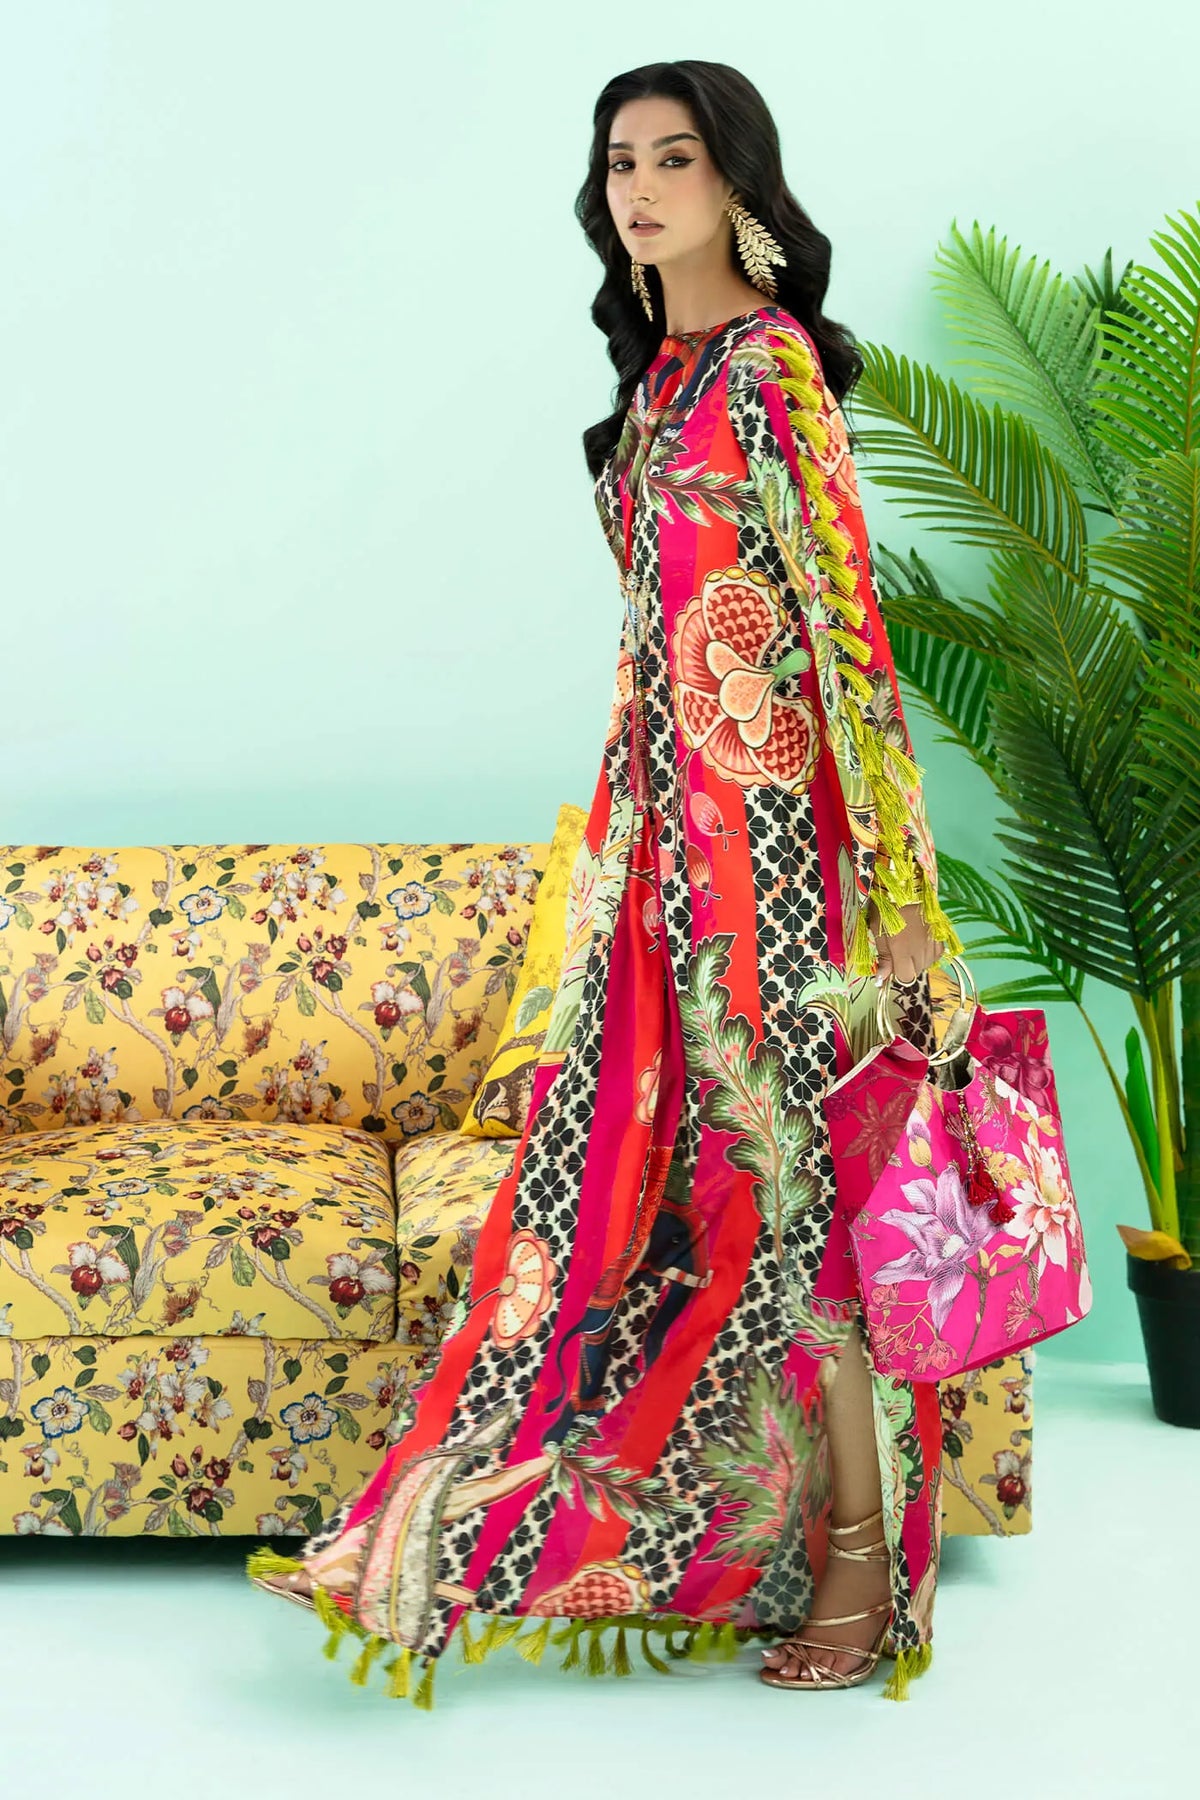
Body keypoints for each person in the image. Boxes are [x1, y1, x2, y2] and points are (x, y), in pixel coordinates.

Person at [249, 59, 962, 1704]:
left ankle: (866, 1571)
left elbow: (851, 645)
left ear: (739, 185)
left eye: (675, 159)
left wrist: (905, 902)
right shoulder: (655, 387)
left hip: (781, 868)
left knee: (798, 1204)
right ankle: (607, 1544)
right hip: (657, 862)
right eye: (620, 162)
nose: (640, 189)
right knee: (665, 1213)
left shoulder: (770, 372)